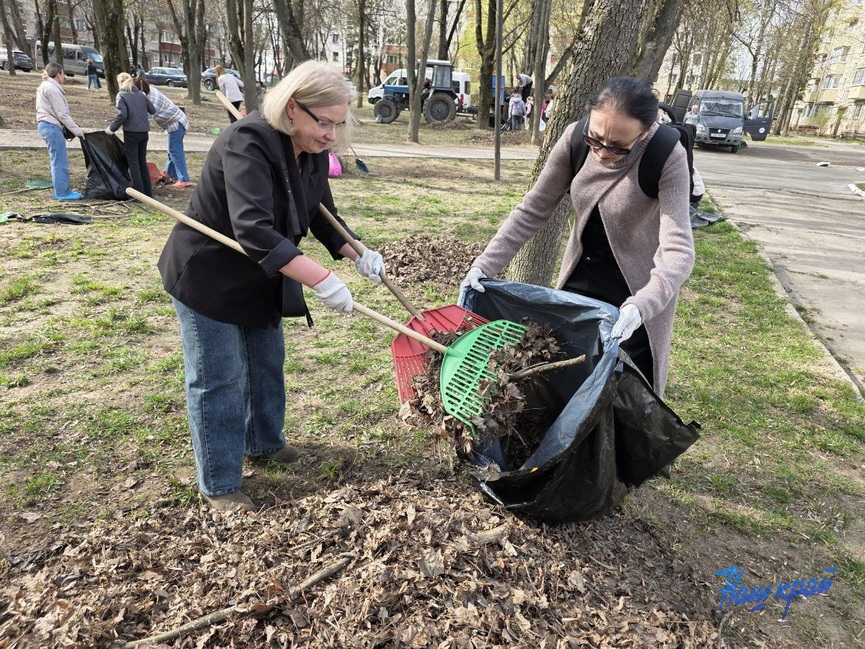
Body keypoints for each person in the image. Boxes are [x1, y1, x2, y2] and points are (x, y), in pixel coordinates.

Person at [157, 60, 386, 512]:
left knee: (266, 362)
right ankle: (219, 482)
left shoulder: (314, 150)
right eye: (324, 123)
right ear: (292, 108)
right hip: (211, 275)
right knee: (218, 377)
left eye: (339, 125)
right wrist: (323, 280)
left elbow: (322, 215)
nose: (331, 136)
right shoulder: (249, 142)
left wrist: (359, 253)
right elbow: (255, 230)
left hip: (265, 274)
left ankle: (263, 442)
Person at [459, 76, 694, 397]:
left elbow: (678, 251)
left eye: (618, 147)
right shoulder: (574, 140)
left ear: (646, 132)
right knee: (562, 385)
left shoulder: (666, 155)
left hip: (637, 299)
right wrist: (484, 265)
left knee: (622, 400)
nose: (602, 153)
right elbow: (533, 209)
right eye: (596, 139)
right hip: (579, 285)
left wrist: (643, 305)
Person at [35, 63, 85, 200]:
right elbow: (62, 114)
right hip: (51, 126)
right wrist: (77, 131)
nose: (64, 77)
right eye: (63, 74)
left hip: (46, 125)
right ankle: (62, 193)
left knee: (57, 159)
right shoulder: (52, 89)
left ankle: (61, 190)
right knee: (60, 161)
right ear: (58, 74)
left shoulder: (45, 86)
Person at [133, 77, 192, 188]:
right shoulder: (149, 91)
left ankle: (184, 179)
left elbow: (147, 120)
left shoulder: (151, 100)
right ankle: (169, 172)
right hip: (175, 123)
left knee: (175, 151)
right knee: (172, 150)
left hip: (176, 124)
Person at [107, 72, 156, 197]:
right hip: (144, 132)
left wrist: (111, 129)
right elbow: (153, 110)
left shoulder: (121, 95)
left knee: (133, 163)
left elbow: (122, 115)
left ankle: (139, 194)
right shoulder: (141, 94)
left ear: (120, 83)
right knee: (142, 162)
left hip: (131, 133)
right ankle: (148, 192)